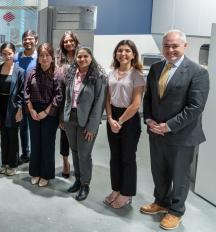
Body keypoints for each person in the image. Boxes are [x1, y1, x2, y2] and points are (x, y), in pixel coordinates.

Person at [141, 29, 209, 230]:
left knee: (180, 175)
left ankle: (176, 211)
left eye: (175, 46)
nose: (170, 50)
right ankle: (161, 202)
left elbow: (195, 107)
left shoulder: (198, 72)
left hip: (182, 135)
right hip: (156, 132)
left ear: (185, 46)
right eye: (166, 46)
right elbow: (149, 98)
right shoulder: (155, 68)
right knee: (159, 170)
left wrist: (169, 126)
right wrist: (149, 119)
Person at [104, 40, 145, 208]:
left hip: (129, 118)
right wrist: (109, 118)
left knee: (127, 157)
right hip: (113, 116)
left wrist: (119, 121)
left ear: (133, 55)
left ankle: (126, 193)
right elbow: (107, 98)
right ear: (116, 54)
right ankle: (116, 189)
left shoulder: (137, 75)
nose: (123, 53)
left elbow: (136, 104)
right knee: (115, 157)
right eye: (120, 50)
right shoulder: (111, 73)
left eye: (127, 50)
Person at [63, 47, 107, 201]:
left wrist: (92, 127)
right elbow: (67, 98)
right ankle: (78, 180)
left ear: (91, 58)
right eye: (79, 56)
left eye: (85, 56)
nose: (82, 59)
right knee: (74, 151)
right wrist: (63, 118)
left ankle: (85, 184)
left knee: (84, 154)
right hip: (70, 119)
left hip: (87, 121)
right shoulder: (70, 74)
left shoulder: (99, 77)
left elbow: (99, 104)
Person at [25, 43, 64, 187]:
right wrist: (32, 110)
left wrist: (45, 112)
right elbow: (26, 92)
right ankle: (35, 172)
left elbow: (58, 96)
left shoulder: (57, 74)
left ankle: (46, 174)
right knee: (35, 143)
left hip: (50, 113)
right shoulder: (32, 72)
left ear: (52, 57)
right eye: (41, 55)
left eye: (47, 55)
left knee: (47, 144)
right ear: (38, 58)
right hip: (33, 111)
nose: (44, 58)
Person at [0, 42, 25, 176]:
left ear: (14, 53)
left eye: (9, 53)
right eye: (4, 54)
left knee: (13, 137)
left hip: (14, 107)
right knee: (3, 136)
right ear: (1, 54)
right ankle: (5, 163)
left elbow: (22, 93)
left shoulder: (20, 71)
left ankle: (13, 164)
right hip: (0, 106)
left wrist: (20, 109)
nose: (7, 56)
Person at [56, 31, 80, 178]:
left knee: (78, 137)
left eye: (71, 41)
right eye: (66, 41)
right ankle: (65, 161)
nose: (68, 43)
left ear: (76, 42)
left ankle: (79, 166)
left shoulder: (82, 56)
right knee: (64, 134)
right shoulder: (59, 59)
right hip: (63, 102)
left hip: (78, 102)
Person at [14, 30, 38, 165]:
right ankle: (25, 153)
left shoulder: (40, 57)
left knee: (35, 128)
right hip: (20, 99)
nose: (27, 41)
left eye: (30, 39)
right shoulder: (16, 57)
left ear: (36, 40)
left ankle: (36, 154)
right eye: (25, 39)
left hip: (35, 100)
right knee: (22, 127)